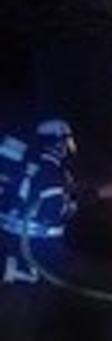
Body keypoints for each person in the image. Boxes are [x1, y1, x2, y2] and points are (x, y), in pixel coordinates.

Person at [0, 117, 78, 284]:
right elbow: (54, 209)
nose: (68, 146)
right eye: (67, 141)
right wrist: (75, 203)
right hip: (40, 244)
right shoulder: (52, 169)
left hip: (8, 239)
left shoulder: (24, 161)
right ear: (59, 141)